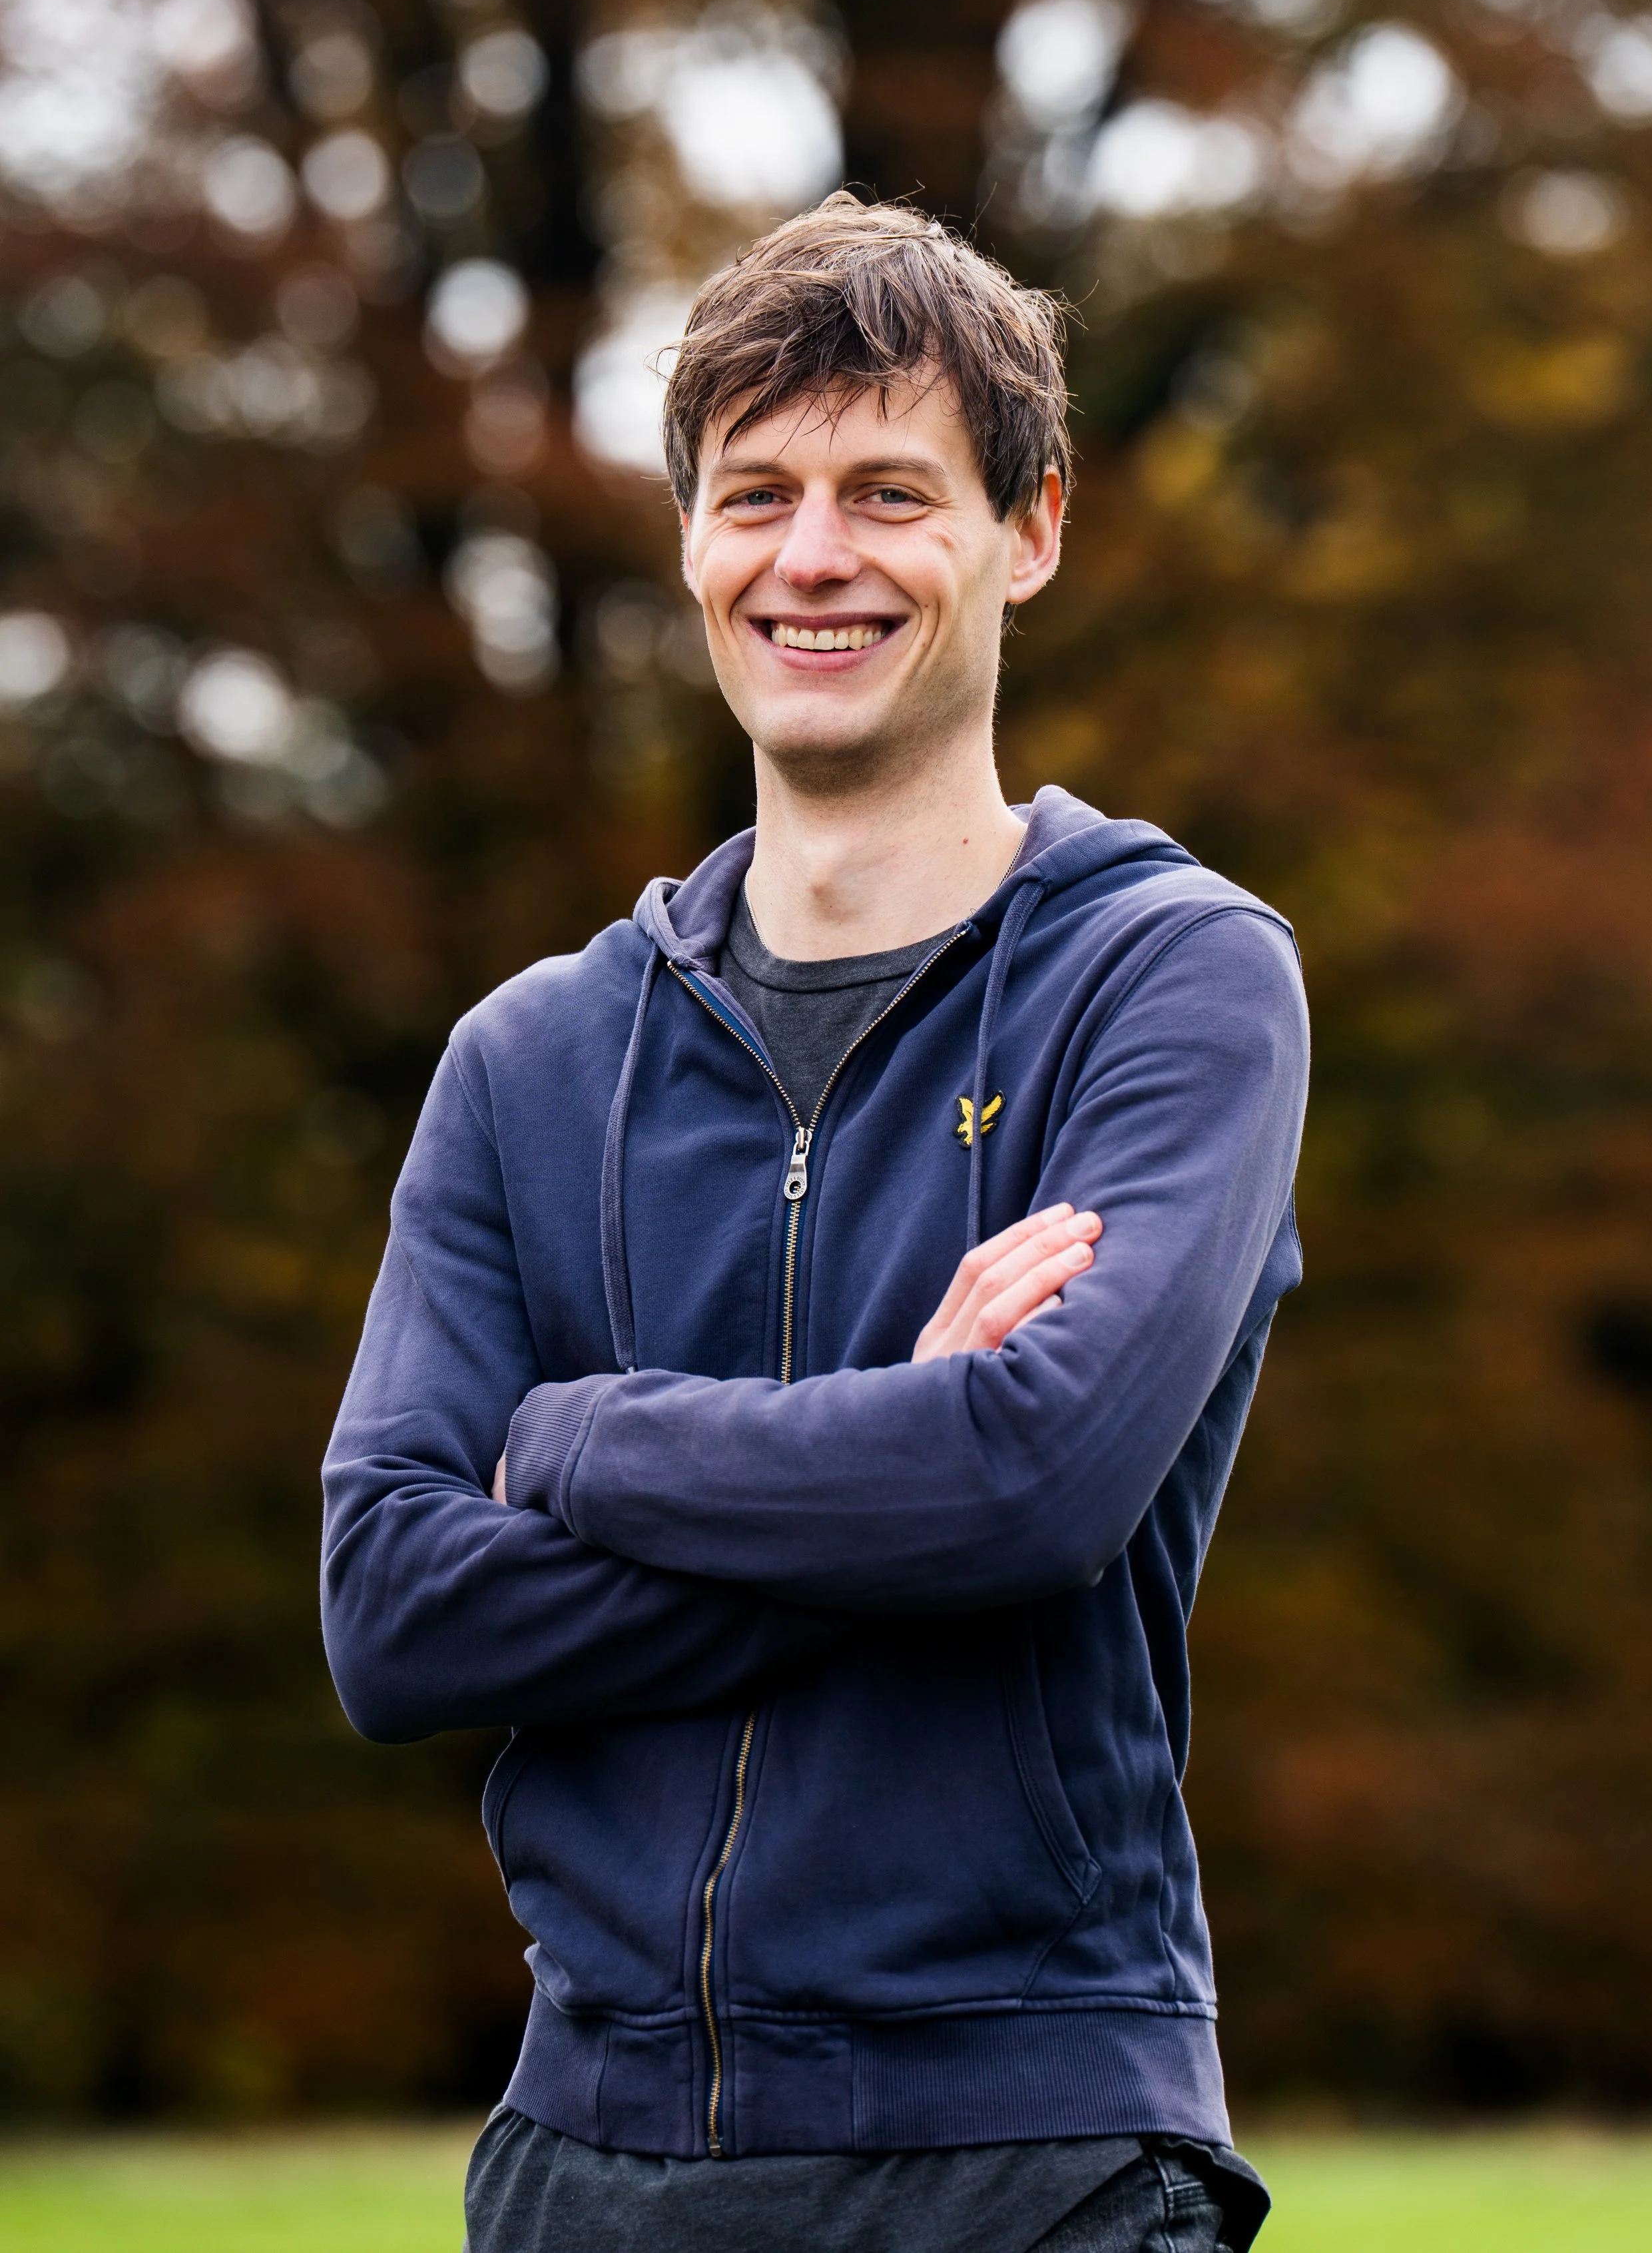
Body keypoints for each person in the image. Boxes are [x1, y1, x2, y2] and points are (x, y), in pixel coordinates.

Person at [322, 194, 1308, 2252]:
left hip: (1032, 2155)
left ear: (1027, 527)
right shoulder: (529, 1058)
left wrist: (580, 1445)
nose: (813, 556)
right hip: (582, 2163)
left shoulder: (1174, 983)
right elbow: (395, 1613)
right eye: (753, 492)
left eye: (888, 489)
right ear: (690, 541)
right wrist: (895, 1460)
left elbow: (1027, 1484)